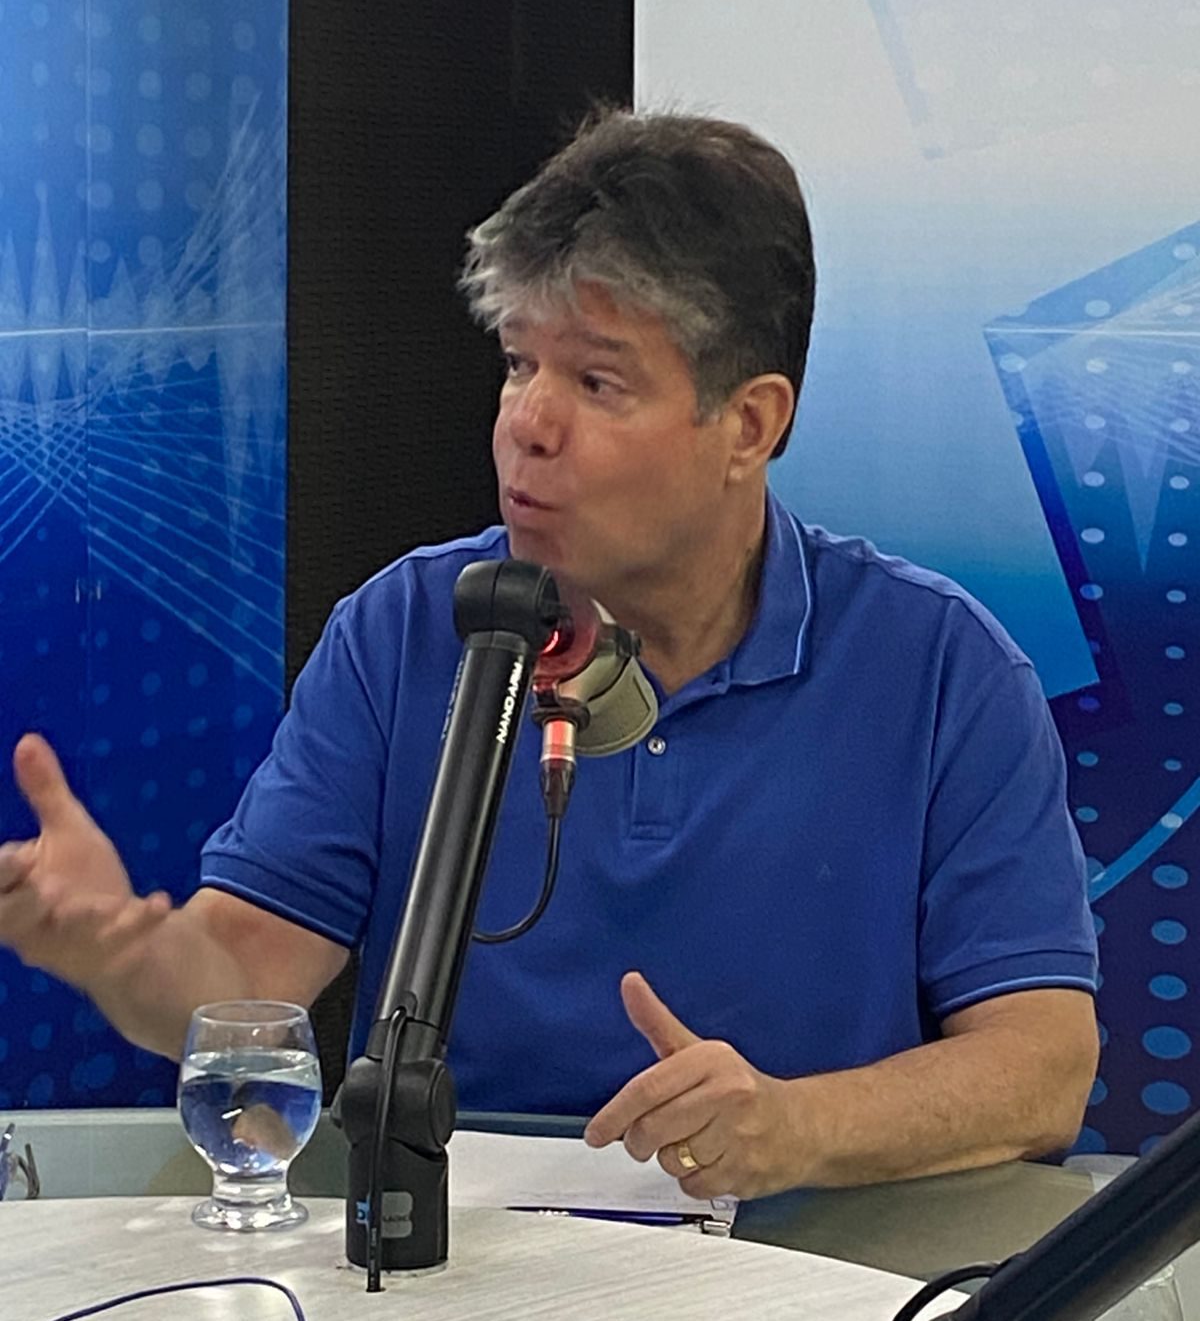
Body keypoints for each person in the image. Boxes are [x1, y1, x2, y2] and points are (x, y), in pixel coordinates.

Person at [0, 109, 1098, 1203]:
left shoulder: (942, 670)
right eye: (520, 362)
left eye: (597, 382)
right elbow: (244, 984)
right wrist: (125, 956)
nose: (527, 421)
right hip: (455, 1260)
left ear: (751, 425)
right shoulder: (401, 632)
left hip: (806, 1259)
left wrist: (796, 1127)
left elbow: (1042, 1066)